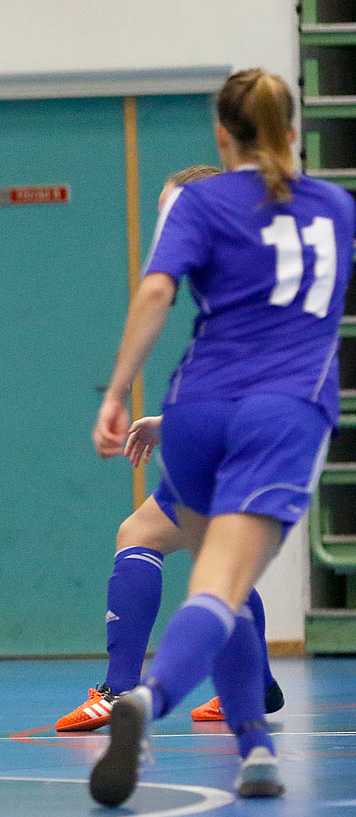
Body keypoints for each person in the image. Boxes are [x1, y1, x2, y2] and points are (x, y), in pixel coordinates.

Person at [88, 68, 354, 806]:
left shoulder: (200, 201)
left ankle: (256, 750)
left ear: (221, 134)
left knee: (217, 578)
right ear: (293, 131)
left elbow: (155, 291)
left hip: (196, 411)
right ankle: (149, 697)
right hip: (283, 411)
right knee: (223, 585)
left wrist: (115, 392)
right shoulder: (335, 207)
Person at [56, 167, 284, 732]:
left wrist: (126, 397)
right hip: (251, 433)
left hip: (240, 439)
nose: (168, 222)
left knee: (158, 541)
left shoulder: (229, 273)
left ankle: (121, 692)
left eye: (173, 209)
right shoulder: (238, 266)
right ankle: (257, 687)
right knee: (199, 550)